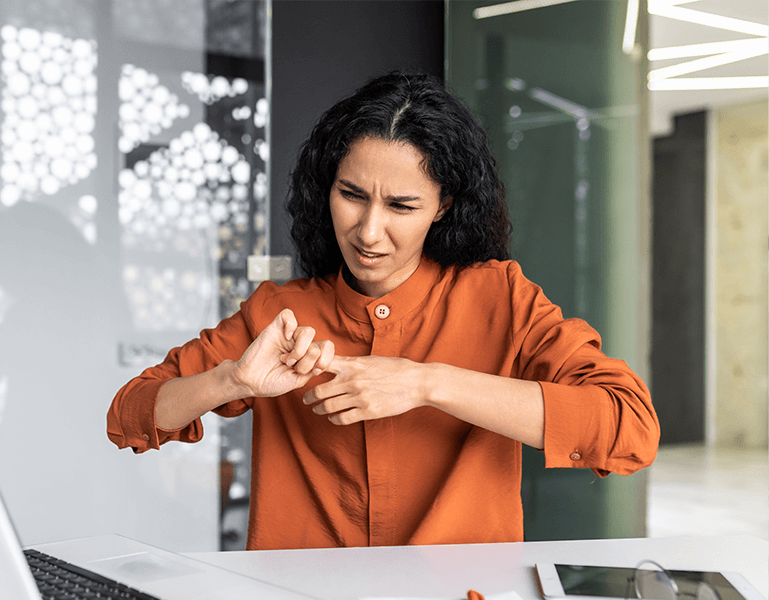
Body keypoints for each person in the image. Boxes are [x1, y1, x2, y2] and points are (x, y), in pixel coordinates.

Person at [107, 71, 660, 550]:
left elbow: (630, 428)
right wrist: (232, 379)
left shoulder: (502, 299)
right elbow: (128, 415)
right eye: (352, 195)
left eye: (402, 206)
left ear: (444, 205)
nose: (369, 232)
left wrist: (427, 384)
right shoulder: (278, 313)